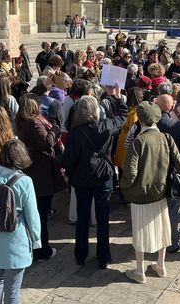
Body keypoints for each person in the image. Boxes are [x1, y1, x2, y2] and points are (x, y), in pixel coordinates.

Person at [121, 101, 180, 283]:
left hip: (140, 195)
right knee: (163, 230)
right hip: (162, 192)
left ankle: (140, 271)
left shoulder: (138, 141)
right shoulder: (167, 138)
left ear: (140, 120)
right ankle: (160, 265)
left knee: (140, 232)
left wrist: (125, 188)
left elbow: (130, 173)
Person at [63, 93, 127, 268]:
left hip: (82, 179)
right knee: (102, 218)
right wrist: (117, 97)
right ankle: (103, 256)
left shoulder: (76, 134)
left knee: (82, 218)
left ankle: (81, 254)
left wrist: (73, 176)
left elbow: (68, 161)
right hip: (103, 176)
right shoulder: (106, 126)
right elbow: (123, 115)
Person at [0, 139, 41, 304]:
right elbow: (32, 215)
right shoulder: (24, 182)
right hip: (16, 241)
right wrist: (36, 239)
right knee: (13, 289)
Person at [16, 93, 66, 262]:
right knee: (40, 214)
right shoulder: (34, 123)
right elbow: (46, 142)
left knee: (35, 212)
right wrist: (54, 130)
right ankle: (41, 249)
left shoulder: (21, 120)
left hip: (33, 169)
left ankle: (34, 246)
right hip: (41, 173)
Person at [155, 94, 180, 252]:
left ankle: (156, 242)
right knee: (173, 210)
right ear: (171, 106)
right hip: (172, 173)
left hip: (154, 173)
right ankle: (172, 243)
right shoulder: (175, 124)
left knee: (155, 210)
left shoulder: (149, 123)